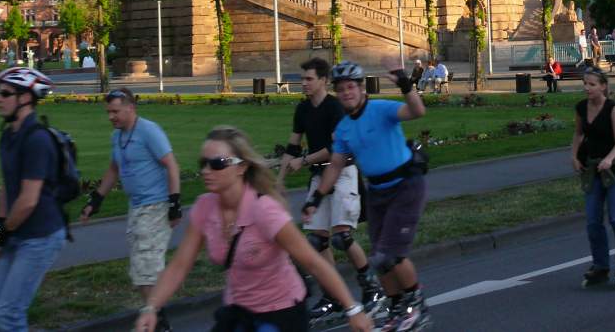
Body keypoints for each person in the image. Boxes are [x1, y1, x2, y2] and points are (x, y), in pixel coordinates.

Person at [134, 127, 372, 332]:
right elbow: (179, 266)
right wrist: (151, 308)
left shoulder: (264, 210)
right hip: (238, 310)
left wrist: (353, 308)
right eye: (203, 163)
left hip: (281, 312)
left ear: (241, 167)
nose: (206, 170)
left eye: (217, 163)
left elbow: (313, 262)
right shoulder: (205, 207)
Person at [306, 61, 429, 331]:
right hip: (377, 192)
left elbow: (417, 111)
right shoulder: (344, 129)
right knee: (377, 258)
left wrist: (405, 85)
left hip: (406, 185)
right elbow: (335, 165)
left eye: (351, 87)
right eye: (341, 89)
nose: (347, 93)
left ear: (362, 89)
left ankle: (416, 305)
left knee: (392, 254)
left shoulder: (380, 109)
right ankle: (397, 307)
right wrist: (316, 198)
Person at [278, 58, 382, 323]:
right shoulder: (302, 109)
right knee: (316, 240)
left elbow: (336, 149)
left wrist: (304, 160)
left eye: (309, 79)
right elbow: (293, 145)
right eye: (303, 79)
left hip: (344, 172)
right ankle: (333, 295)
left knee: (341, 236)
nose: (304, 84)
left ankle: (372, 287)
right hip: (318, 174)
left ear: (323, 81)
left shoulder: (335, 108)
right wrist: (279, 180)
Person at [79, 88, 183, 331]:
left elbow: (171, 165)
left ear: (130, 108)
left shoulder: (149, 131)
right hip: (136, 207)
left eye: (115, 111)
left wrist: (174, 203)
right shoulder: (118, 136)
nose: (111, 117)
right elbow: (114, 169)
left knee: (146, 268)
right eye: (108, 112)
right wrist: (95, 201)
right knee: (140, 270)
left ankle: (157, 322)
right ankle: (157, 319)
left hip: (156, 206)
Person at [0, 68, 67, 331]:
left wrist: (2, 235)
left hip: (40, 236)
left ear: (26, 99)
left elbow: (28, 200)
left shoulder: (37, 140)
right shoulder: (9, 136)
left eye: (6, 93)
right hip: (18, 232)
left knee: (9, 313)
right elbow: (8, 190)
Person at [571, 68, 615, 289]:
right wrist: (574, 156)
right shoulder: (581, 107)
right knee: (592, 220)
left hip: (614, 169)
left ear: (603, 86)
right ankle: (600, 265)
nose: (586, 88)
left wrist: (609, 159)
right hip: (592, 168)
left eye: (591, 84)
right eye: (585, 84)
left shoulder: (612, 109)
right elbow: (579, 134)